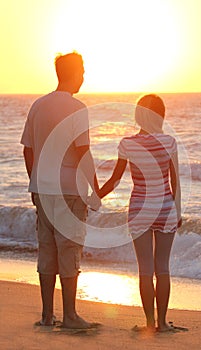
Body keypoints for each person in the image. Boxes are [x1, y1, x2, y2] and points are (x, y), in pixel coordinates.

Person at [21, 52, 100, 328]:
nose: (84, 77)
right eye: (82, 71)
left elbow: (28, 151)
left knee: (47, 249)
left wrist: (35, 182)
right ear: (74, 72)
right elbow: (82, 152)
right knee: (69, 248)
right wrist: (96, 188)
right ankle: (70, 316)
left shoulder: (38, 106)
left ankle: (46, 315)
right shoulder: (77, 108)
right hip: (68, 189)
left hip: (43, 189)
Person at [90, 94, 182, 332]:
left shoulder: (127, 144)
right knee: (162, 267)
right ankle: (163, 324)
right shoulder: (169, 142)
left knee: (145, 269)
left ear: (139, 115)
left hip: (140, 209)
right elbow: (175, 183)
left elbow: (114, 181)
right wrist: (178, 212)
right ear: (160, 115)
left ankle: (150, 324)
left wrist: (94, 197)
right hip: (164, 208)